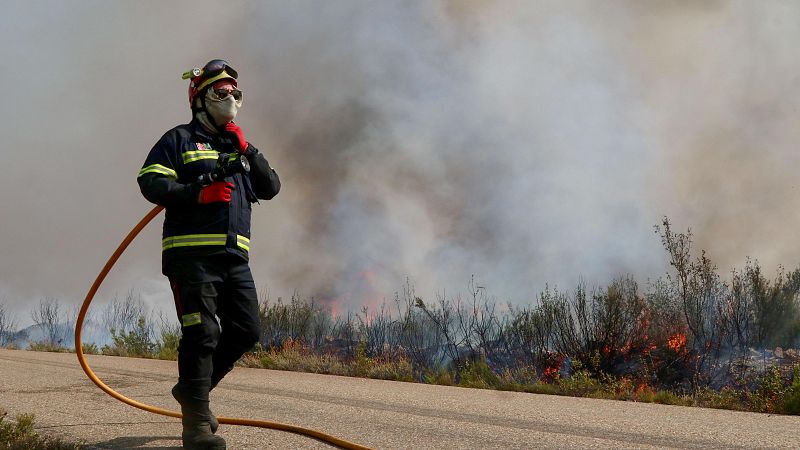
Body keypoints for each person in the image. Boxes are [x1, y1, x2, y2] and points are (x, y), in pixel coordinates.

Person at [137, 59, 280, 450]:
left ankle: (191, 392)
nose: (230, 98)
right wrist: (197, 192)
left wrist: (246, 146)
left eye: (236, 92)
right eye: (221, 92)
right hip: (191, 256)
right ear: (200, 99)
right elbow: (150, 181)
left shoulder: (238, 146)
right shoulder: (179, 139)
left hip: (235, 258)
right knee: (202, 333)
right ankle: (196, 426)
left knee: (247, 331)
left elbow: (270, 188)